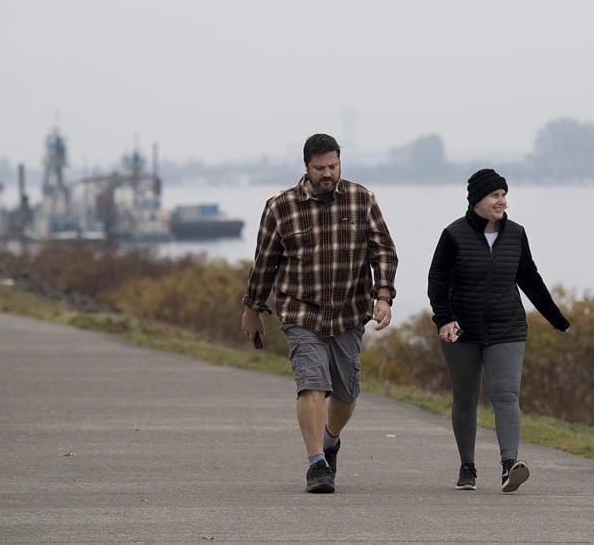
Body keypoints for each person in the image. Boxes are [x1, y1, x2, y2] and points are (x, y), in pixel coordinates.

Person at [240, 133, 398, 493]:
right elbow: (264, 264)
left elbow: (384, 252)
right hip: (301, 313)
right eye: (320, 168)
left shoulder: (362, 199)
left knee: (345, 394)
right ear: (306, 167)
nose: (328, 174)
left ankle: (330, 441)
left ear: (340, 162)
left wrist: (384, 296)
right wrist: (253, 308)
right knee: (311, 384)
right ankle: (316, 466)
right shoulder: (280, 207)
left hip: (349, 312)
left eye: (333, 166)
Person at [427, 168, 570, 493]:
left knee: (506, 395)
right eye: (495, 195)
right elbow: (437, 281)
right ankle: (467, 466)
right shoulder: (454, 234)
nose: (502, 201)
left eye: (504, 194)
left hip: (507, 326)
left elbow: (530, 278)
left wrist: (556, 319)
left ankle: (509, 465)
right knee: (465, 399)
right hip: (461, 329)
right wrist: (444, 319)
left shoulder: (516, 234)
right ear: (478, 199)